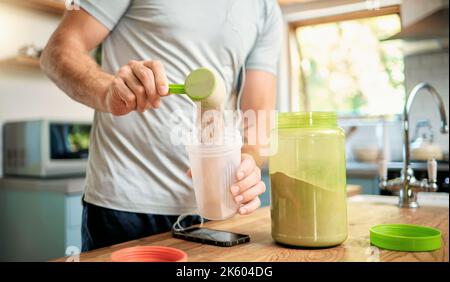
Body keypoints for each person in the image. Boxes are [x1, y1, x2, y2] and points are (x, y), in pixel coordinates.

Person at [41, 0, 282, 251]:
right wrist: (108, 91)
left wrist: (248, 164)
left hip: (209, 215)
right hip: (122, 208)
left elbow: (258, 119)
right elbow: (56, 52)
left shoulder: (266, 10)